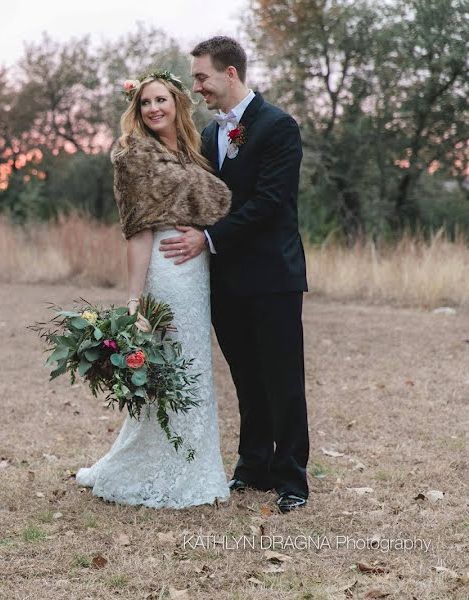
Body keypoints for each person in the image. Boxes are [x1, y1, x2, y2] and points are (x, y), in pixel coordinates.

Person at [160, 37, 310, 513]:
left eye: (201, 77)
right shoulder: (209, 135)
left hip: (272, 277)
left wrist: (207, 238)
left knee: (282, 379)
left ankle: (292, 480)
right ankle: (252, 467)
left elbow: (270, 203)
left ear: (230, 73)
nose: (196, 86)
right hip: (225, 280)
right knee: (246, 376)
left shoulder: (278, 126)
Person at [75, 71, 231, 508]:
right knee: (174, 364)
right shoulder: (133, 155)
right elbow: (137, 233)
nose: (153, 109)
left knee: (195, 364)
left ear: (177, 103)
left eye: (161, 100)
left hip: (197, 268)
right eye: (145, 103)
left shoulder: (191, 150)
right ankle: (162, 468)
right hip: (165, 268)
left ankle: (196, 465)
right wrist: (133, 299)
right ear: (137, 110)